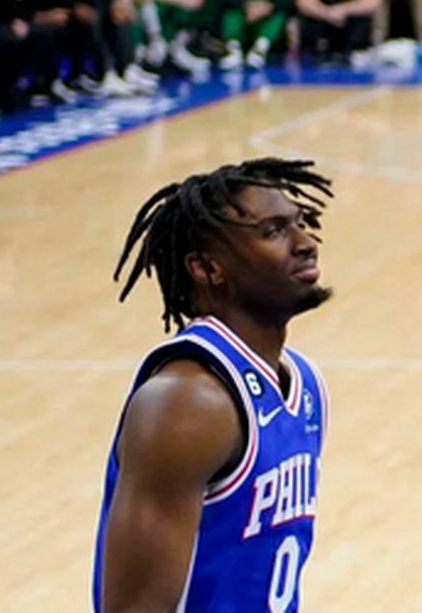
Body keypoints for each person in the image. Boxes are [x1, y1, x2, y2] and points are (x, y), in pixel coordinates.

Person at [94, 159, 335, 612]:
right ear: (207, 268)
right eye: (273, 231)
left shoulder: (303, 385)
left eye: (301, 223)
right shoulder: (188, 404)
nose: (306, 244)